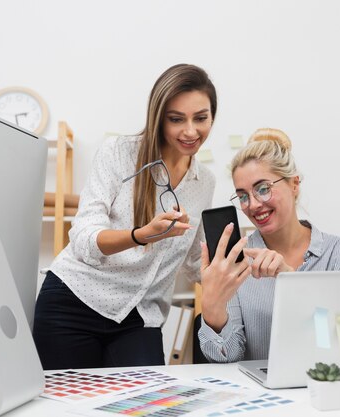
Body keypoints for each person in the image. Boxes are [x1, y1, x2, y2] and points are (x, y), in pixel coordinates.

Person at [33, 64, 217, 369]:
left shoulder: (205, 181)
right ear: (158, 118)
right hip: (74, 303)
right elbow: (83, 239)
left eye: (201, 118)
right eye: (176, 119)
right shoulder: (118, 153)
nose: (190, 131)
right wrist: (140, 236)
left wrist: (244, 263)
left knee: (147, 409)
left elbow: (197, 262)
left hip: (140, 316)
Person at [198, 128, 340, 363]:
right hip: (263, 395)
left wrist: (292, 281)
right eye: (243, 196)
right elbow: (229, 357)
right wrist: (213, 308)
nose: (252, 205)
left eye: (263, 189)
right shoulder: (237, 262)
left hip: (323, 386)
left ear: (294, 184)